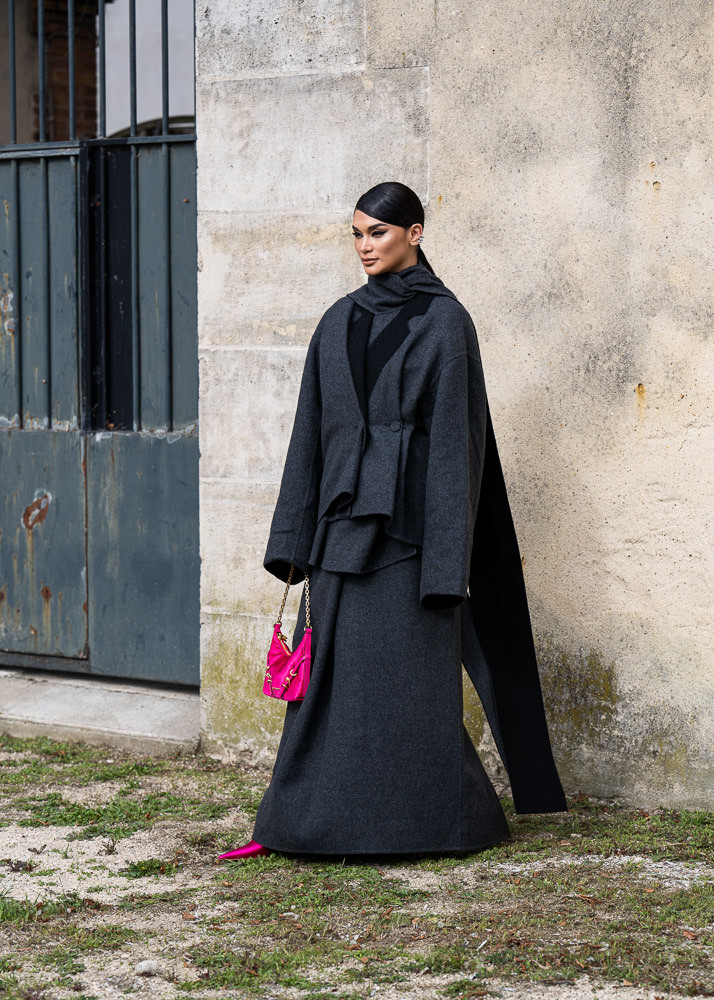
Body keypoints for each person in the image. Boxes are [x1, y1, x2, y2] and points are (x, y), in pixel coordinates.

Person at [219, 181, 566, 861]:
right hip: (338, 532)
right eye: (356, 233)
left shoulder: (446, 323)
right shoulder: (336, 320)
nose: (364, 246)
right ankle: (313, 821)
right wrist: (292, 544)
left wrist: (447, 565)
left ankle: (438, 823)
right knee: (329, 686)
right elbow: (309, 436)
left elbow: (455, 448)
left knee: (409, 690)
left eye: (377, 232)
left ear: (415, 232)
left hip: (409, 536)